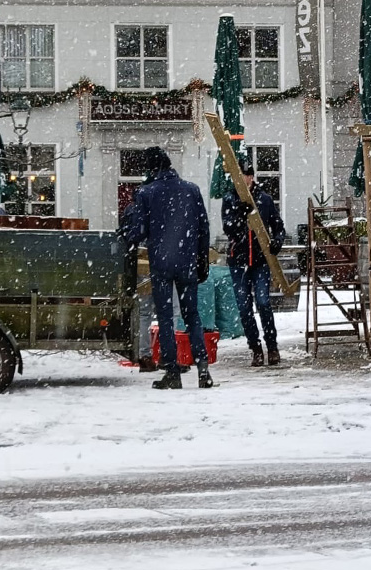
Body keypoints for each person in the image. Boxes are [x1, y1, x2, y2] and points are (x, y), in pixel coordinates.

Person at [121, 147, 213, 389]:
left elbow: (138, 232)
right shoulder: (191, 190)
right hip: (187, 261)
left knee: (165, 318)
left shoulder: (146, 193)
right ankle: (203, 370)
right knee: (192, 315)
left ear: (151, 168)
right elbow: (204, 228)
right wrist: (202, 259)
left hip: (161, 263)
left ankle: (172, 371)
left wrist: (126, 233)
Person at [222, 156, 286, 367]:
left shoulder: (264, 199)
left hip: (260, 260)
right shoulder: (229, 199)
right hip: (238, 260)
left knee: (264, 302)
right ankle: (255, 347)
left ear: (251, 178)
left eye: (247, 175)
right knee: (243, 307)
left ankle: (272, 346)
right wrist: (240, 216)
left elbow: (278, 225)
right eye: (241, 175)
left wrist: (277, 240)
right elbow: (228, 227)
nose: (244, 179)